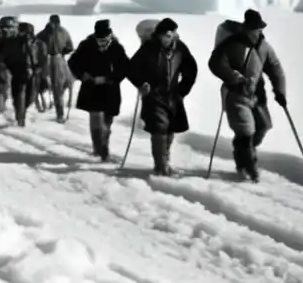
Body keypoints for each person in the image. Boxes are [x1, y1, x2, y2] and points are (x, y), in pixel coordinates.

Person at [207, 9, 287, 182]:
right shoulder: (232, 44)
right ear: (246, 28)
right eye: (255, 29)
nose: (259, 32)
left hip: (258, 95)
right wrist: (234, 76)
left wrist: (280, 91)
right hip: (236, 94)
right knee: (245, 131)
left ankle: (243, 152)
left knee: (263, 126)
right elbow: (215, 63)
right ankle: (251, 170)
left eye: (260, 29)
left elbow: (275, 67)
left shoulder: (263, 46)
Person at [127, 17, 198, 176]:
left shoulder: (180, 48)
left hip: (173, 96)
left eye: (171, 34)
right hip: (154, 95)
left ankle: (165, 160)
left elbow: (191, 69)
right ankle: (160, 166)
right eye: (165, 35)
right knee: (159, 128)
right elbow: (131, 69)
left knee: (171, 129)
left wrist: (183, 88)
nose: (169, 38)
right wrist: (141, 84)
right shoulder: (148, 48)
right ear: (158, 35)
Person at [67, 19, 131, 161]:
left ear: (110, 35)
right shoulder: (86, 45)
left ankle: (104, 144)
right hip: (91, 88)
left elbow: (125, 67)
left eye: (105, 39)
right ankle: (99, 149)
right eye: (100, 40)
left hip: (110, 89)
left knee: (107, 121)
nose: (103, 43)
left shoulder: (117, 47)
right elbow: (73, 62)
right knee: (95, 118)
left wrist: (111, 78)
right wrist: (83, 75)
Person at [37, 14, 75, 122]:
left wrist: (62, 53)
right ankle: (60, 113)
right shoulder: (43, 34)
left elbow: (70, 46)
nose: (55, 25)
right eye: (53, 22)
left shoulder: (63, 31)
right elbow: (36, 46)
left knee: (68, 82)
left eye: (56, 23)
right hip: (48, 61)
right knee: (56, 86)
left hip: (59, 59)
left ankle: (57, 100)